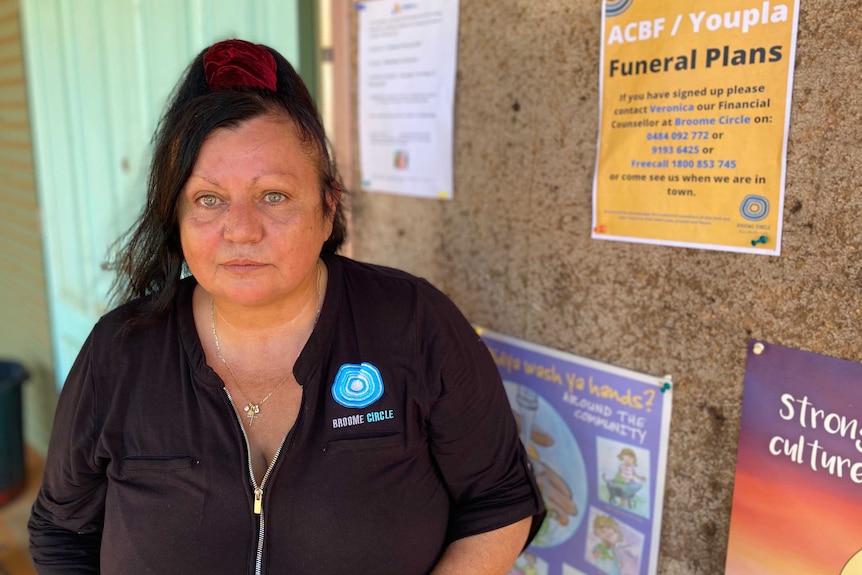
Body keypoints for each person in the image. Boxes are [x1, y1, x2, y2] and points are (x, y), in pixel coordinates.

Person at [28, 39, 545, 574]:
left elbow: (500, 501)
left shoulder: (414, 323)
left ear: (328, 208)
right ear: (175, 219)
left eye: (273, 195)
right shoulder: (120, 352)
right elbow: (62, 531)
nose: (241, 230)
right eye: (208, 199)